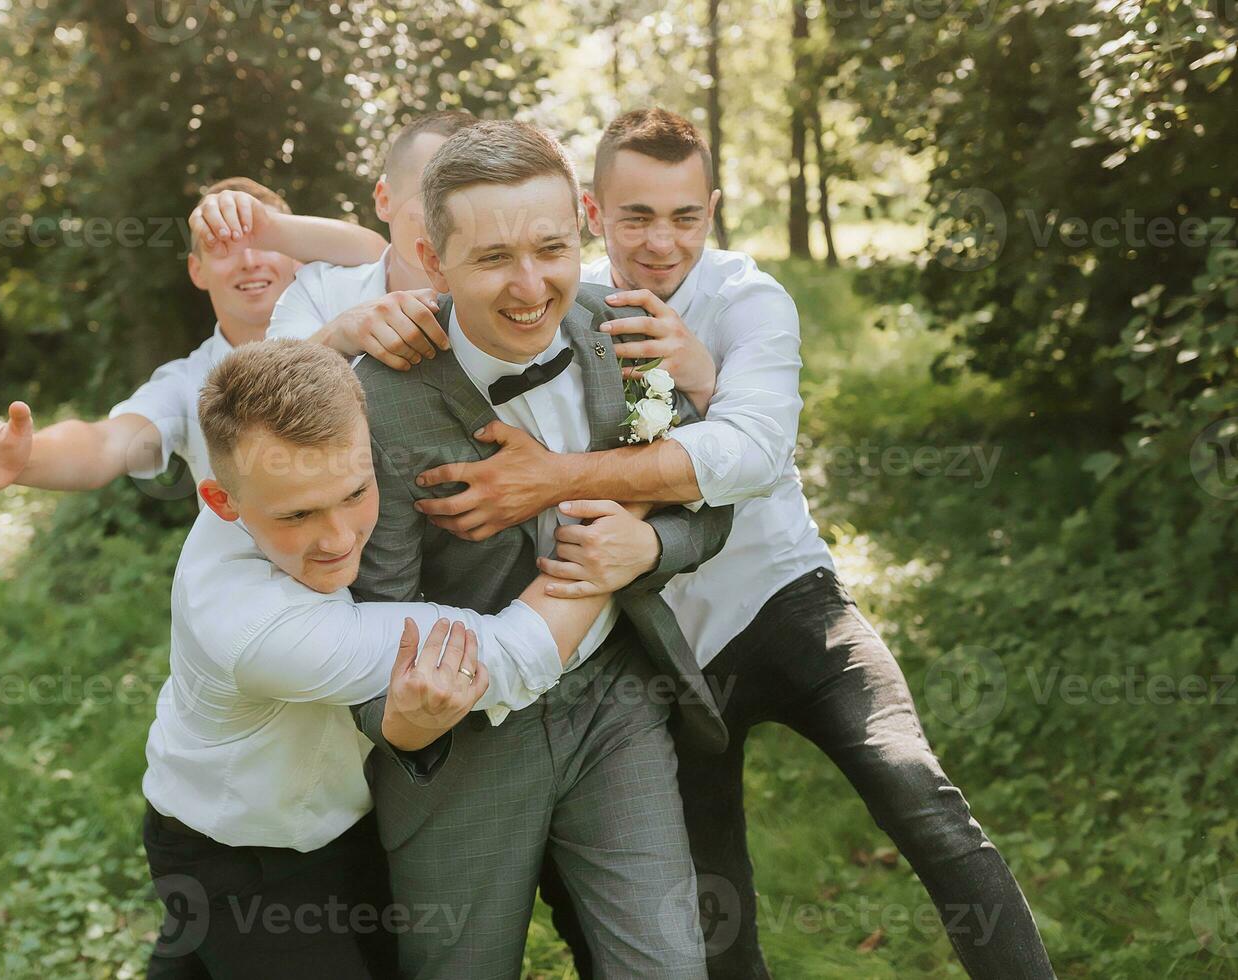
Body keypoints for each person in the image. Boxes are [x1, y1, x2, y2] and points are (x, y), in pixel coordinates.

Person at [416, 107, 1056, 979]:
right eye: (637, 216)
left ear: (712, 210)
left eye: (686, 216)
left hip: (785, 599)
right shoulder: (562, 303)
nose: (662, 241)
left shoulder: (749, 298)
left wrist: (625, 431)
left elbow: (752, 452)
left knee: (918, 794)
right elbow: (444, 303)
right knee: (712, 892)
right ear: (596, 214)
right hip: (663, 645)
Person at [346, 119, 734, 979]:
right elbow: (369, 623)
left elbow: (708, 501)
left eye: (552, 248)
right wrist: (397, 720)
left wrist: (651, 546)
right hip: (470, 737)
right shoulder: (381, 405)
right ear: (430, 257)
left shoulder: (625, 333)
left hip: (615, 702)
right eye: (491, 260)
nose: (531, 286)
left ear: (583, 232)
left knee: (669, 966)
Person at [142, 338, 652, 978]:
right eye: (299, 515)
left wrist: (360, 320)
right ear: (222, 502)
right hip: (241, 857)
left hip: (346, 826)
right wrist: (623, 517)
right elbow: (508, 654)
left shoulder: (269, 473)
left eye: (355, 493)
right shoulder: (257, 628)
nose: (338, 539)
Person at [0, 177, 386, 511]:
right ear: (197, 271)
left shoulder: (346, 313)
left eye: (265, 242)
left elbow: (380, 254)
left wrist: (275, 226)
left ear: (296, 252)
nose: (249, 260)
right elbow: (105, 443)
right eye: (224, 247)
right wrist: (27, 458)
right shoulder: (188, 381)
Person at [198, 111, 477, 369]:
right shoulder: (319, 293)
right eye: (434, 195)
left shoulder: (512, 298)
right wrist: (337, 336)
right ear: (384, 200)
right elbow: (262, 406)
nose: (459, 217)